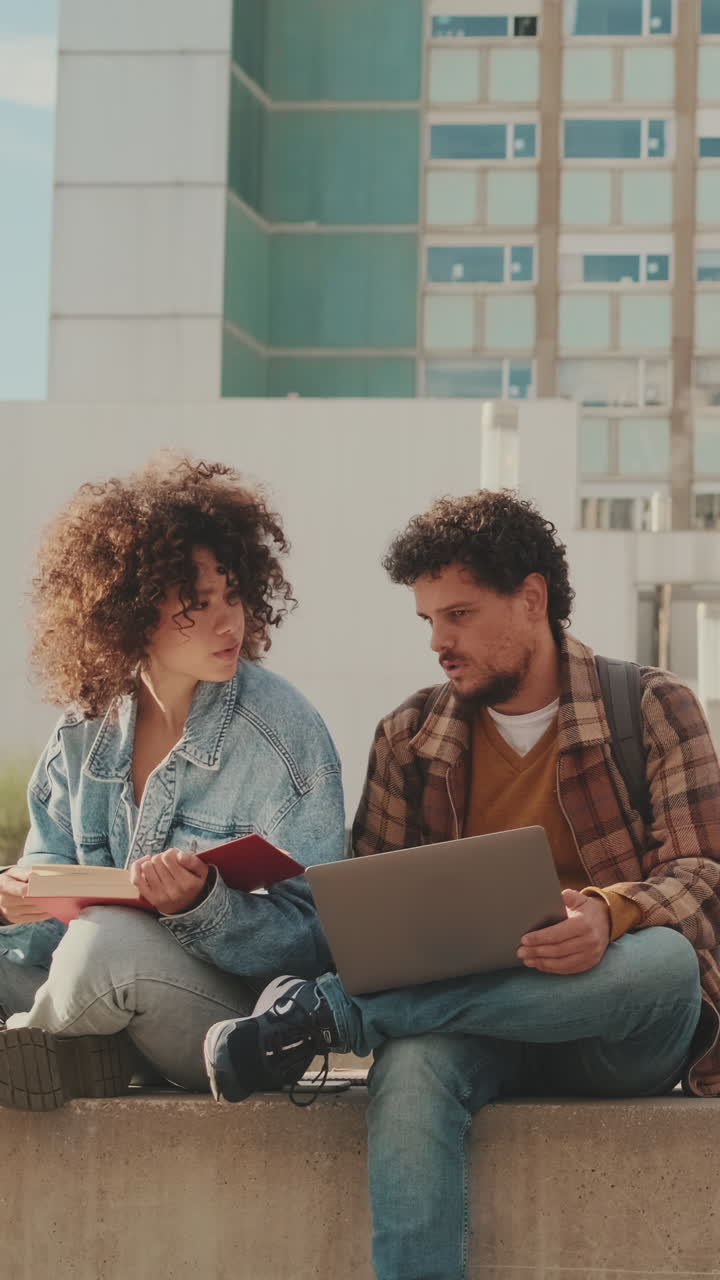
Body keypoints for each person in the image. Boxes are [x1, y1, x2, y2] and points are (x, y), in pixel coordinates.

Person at [203, 490, 720, 1280]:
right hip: (476, 1027)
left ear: (533, 598)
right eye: (429, 622)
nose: (440, 641)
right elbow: (368, 916)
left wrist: (610, 918)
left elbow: (703, 877)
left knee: (667, 966)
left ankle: (332, 1016)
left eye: (461, 615)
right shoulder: (408, 738)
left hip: (613, 1025)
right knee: (409, 1073)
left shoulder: (651, 706)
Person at [0, 456, 344, 1110]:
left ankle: (32, 1042)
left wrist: (202, 905)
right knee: (84, 940)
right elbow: (50, 877)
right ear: (131, 614)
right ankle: (80, 1053)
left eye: (233, 595)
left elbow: (320, 939)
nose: (228, 623)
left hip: (223, 1024)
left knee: (107, 942)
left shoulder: (283, 734)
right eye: (197, 605)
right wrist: (22, 893)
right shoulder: (82, 730)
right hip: (87, 990)